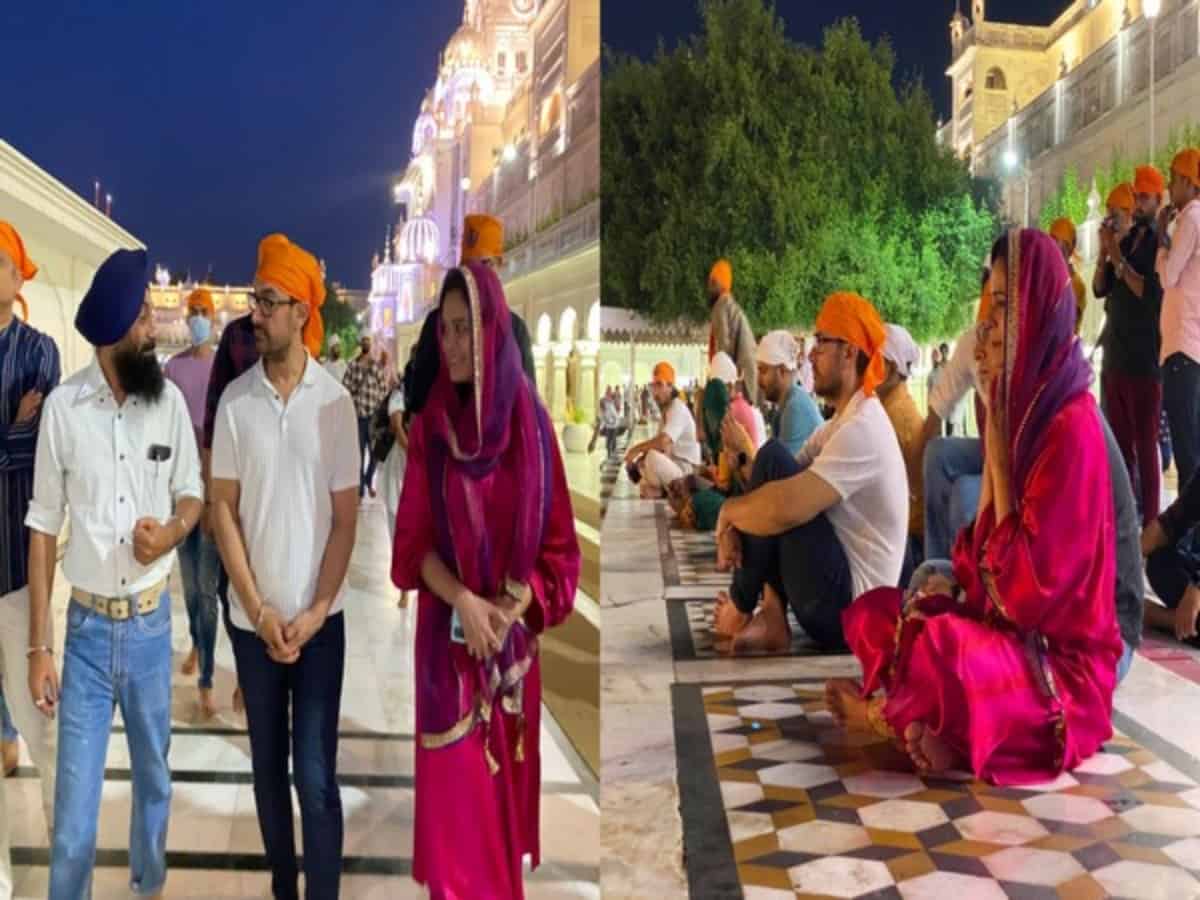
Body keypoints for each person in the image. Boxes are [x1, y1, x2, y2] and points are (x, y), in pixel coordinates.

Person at [828, 229, 1121, 784]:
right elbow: (983, 552)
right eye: (990, 307)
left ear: (1040, 311)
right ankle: (944, 726)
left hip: (1066, 668)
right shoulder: (1025, 410)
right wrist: (995, 432)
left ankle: (903, 718)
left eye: (1006, 306)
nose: (986, 327)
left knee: (945, 646)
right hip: (1015, 629)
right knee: (889, 611)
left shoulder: (1071, 426)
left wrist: (1000, 455)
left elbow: (1025, 598)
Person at [391, 261, 580, 899]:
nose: (453, 345)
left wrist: (514, 600)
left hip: (509, 656)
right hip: (446, 651)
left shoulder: (530, 426)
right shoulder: (431, 430)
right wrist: (466, 603)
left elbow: (558, 545)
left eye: (465, 328)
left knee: (494, 824)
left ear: (493, 328)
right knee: (454, 826)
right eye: (444, 331)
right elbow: (413, 545)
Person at [26, 249, 203, 898]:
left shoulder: (169, 406)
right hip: (90, 639)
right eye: (144, 319)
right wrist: (39, 648)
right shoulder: (65, 410)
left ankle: (145, 887)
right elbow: (42, 527)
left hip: (153, 631)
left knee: (154, 782)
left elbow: (191, 496)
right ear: (116, 330)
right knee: (73, 819)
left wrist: (173, 535)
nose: (155, 329)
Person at [210, 234, 356, 900]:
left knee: (315, 777)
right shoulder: (236, 402)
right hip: (253, 625)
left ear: (300, 310)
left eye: (267, 302)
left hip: (321, 625)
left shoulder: (334, 405)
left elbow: (346, 519)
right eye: (254, 300)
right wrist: (261, 610)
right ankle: (283, 889)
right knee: (267, 770)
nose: (255, 315)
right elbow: (222, 513)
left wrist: (316, 608)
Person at [711, 292, 907, 653]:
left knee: (772, 470)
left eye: (821, 342)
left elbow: (786, 504)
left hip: (851, 612)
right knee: (771, 471)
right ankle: (770, 616)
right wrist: (738, 509)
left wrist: (727, 514)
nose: (810, 354)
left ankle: (742, 608)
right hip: (833, 598)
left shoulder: (864, 426)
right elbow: (773, 481)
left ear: (849, 352)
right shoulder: (843, 420)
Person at [0, 222, 60, 895]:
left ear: (19, 278)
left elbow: (38, 454)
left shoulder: (39, 351)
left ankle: (62, 847)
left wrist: (21, 433)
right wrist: (9, 429)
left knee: (40, 726)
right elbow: (14, 447)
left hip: (20, 572)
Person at [163, 288, 222, 717]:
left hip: (213, 495)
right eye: (194, 312)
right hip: (179, 495)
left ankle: (206, 677)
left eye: (205, 312)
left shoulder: (223, 370)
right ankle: (200, 647)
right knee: (189, 588)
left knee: (208, 589)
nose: (199, 318)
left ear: (213, 318)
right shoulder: (172, 369)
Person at [1094, 171, 1164, 525]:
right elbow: (1099, 289)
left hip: (1143, 360)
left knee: (1146, 451)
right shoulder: (1131, 237)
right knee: (1120, 451)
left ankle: (1151, 524)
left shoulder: (1156, 242)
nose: (1138, 205)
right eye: (1136, 197)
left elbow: (1149, 294)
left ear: (1158, 201)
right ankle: (1121, 521)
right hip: (1116, 360)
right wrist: (1104, 252)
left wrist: (1115, 254)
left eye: (1145, 198)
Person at [919, 271, 991, 562]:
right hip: (991, 453)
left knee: (963, 494)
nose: (984, 352)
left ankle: (966, 589)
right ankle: (936, 567)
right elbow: (937, 410)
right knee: (937, 453)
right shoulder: (975, 341)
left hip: (1027, 464)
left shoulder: (1041, 349)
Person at [1157, 148, 1200, 499]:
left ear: (1188, 181)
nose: (1170, 187)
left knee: (1187, 452)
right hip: (1189, 349)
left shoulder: (1191, 219)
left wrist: (1161, 241)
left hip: (1182, 347)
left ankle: (1189, 540)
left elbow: (1169, 275)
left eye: (1173, 179)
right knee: (1191, 445)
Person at [879, 323, 926, 580]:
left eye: (874, 359)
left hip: (908, 547)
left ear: (889, 369)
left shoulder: (895, 416)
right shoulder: (890, 407)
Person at [623, 362, 702, 498]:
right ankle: (664, 492)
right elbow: (661, 448)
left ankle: (671, 491)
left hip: (687, 472)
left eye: (660, 385)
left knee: (652, 457)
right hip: (674, 467)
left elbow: (663, 442)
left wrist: (635, 450)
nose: (655, 391)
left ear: (671, 386)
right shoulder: (667, 411)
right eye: (654, 386)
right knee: (644, 467)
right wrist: (637, 462)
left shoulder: (678, 408)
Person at [342, 334, 389, 500]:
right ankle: (361, 487)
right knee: (359, 454)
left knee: (375, 453)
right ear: (361, 344)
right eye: (364, 341)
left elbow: (383, 388)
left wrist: (378, 405)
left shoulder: (376, 366)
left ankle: (368, 478)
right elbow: (345, 389)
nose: (366, 344)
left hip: (373, 417)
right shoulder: (353, 366)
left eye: (368, 341)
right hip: (358, 417)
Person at [706, 259, 757, 403]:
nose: (710, 288)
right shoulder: (729, 304)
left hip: (740, 377)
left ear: (723, 285)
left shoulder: (721, 304)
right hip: (747, 373)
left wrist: (718, 379)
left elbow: (723, 347)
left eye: (713, 283)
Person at [1049, 217, 1088, 334]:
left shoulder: (1076, 286)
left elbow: (1065, 327)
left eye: (1063, 245)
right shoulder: (1043, 278)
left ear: (1070, 249)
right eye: (1052, 241)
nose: (1055, 249)